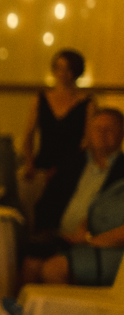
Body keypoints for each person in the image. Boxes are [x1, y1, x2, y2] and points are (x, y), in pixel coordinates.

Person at [20, 108, 124, 287]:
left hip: (100, 242)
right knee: (30, 264)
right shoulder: (72, 163)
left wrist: (89, 235)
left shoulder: (122, 170)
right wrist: (52, 233)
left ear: (121, 134)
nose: (102, 134)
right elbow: (46, 203)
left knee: (51, 270)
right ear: (89, 133)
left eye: (109, 129)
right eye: (97, 129)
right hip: (61, 237)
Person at [21, 49, 95, 179]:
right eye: (59, 68)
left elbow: (89, 140)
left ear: (76, 72)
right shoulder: (41, 98)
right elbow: (29, 135)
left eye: (68, 69)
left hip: (72, 169)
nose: (62, 73)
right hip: (42, 167)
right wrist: (29, 163)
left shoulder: (87, 103)